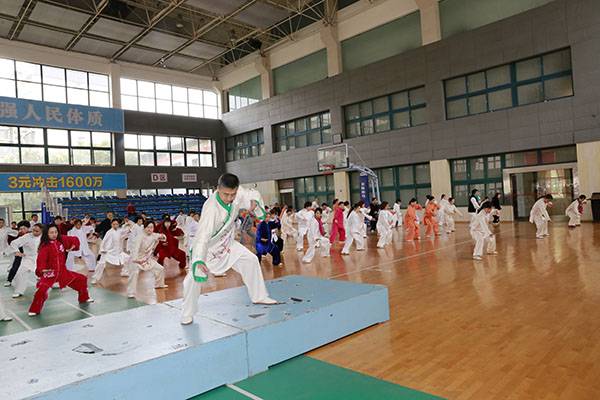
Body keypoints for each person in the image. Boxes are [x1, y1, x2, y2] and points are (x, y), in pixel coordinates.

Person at [182, 173, 277, 325]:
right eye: (226, 194)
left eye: (232, 194)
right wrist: (198, 259)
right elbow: (202, 237)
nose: (229, 198)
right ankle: (187, 313)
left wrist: (254, 203)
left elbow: (252, 194)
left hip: (227, 243)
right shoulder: (211, 209)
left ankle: (259, 296)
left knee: (251, 260)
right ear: (218, 189)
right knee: (192, 280)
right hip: (208, 248)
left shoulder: (237, 194)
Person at [29, 224, 93, 316]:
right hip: (50, 273)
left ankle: (84, 298)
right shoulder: (44, 247)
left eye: (56, 232)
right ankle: (34, 310)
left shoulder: (61, 240)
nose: (54, 234)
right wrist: (42, 270)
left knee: (82, 279)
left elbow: (74, 239)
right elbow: (41, 260)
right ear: (46, 234)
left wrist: (73, 246)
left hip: (63, 273)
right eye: (51, 232)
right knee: (41, 291)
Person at [127, 221, 168, 299]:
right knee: (134, 273)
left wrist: (163, 236)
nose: (150, 229)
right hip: (136, 259)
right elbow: (135, 249)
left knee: (160, 269)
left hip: (147, 260)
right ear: (144, 228)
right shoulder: (140, 237)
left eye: (151, 227)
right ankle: (131, 292)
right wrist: (136, 259)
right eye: (148, 227)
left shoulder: (154, 235)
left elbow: (163, 237)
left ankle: (159, 284)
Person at [91, 219, 130, 284]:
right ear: (111, 225)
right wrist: (102, 250)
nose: (115, 225)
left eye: (116, 224)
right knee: (101, 264)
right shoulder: (109, 232)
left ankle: (124, 272)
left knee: (128, 258)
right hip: (108, 252)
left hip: (118, 252)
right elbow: (104, 241)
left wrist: (128, 226)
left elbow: (125, 232)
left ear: (118, 225)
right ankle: (95, 278)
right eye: (113, 224)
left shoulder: (120, 230)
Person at [9, 223, 42, 298]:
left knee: (43, 275)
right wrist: (16, 251)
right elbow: (14, 243)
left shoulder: (44, 237)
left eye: (37, 231)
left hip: (40, 258)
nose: (34, 232)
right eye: (33, 230)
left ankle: (43, 289)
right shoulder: (27, 236)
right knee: (20, 274)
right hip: (28, 258)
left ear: (41, 231)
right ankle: (19, 291)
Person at [4, 221, 30, 288]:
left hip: (30, 255)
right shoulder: (19, 235)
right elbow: (13, 244)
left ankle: (45, 280)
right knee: (15, 266)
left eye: (24, 228)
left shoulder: (32, 235)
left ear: (28, 228)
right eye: (20, 229)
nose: (22, 230)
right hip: (20, 253)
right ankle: (9, 280)